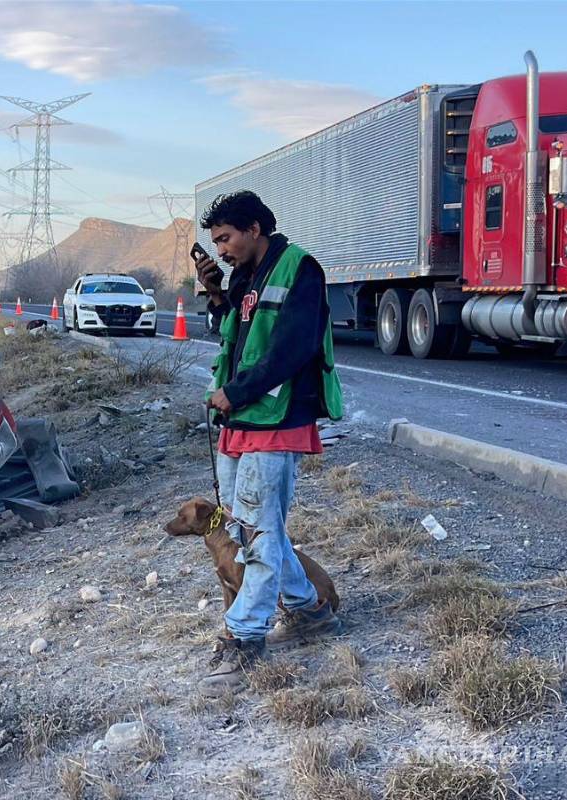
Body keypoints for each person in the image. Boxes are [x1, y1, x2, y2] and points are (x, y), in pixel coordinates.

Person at [192, 190, 345, 697]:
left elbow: (292, 349)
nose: (222, 250)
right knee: (250, 530)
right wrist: (218, 298)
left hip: (274, 421)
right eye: (215, 243)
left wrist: (233, 393)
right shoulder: (243, 279)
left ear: (254, 228)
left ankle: (244, 639)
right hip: (241, 422)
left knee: (258, 533)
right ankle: (310, 610)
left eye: (226, 238)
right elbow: (233, 338)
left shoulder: (300, 268)